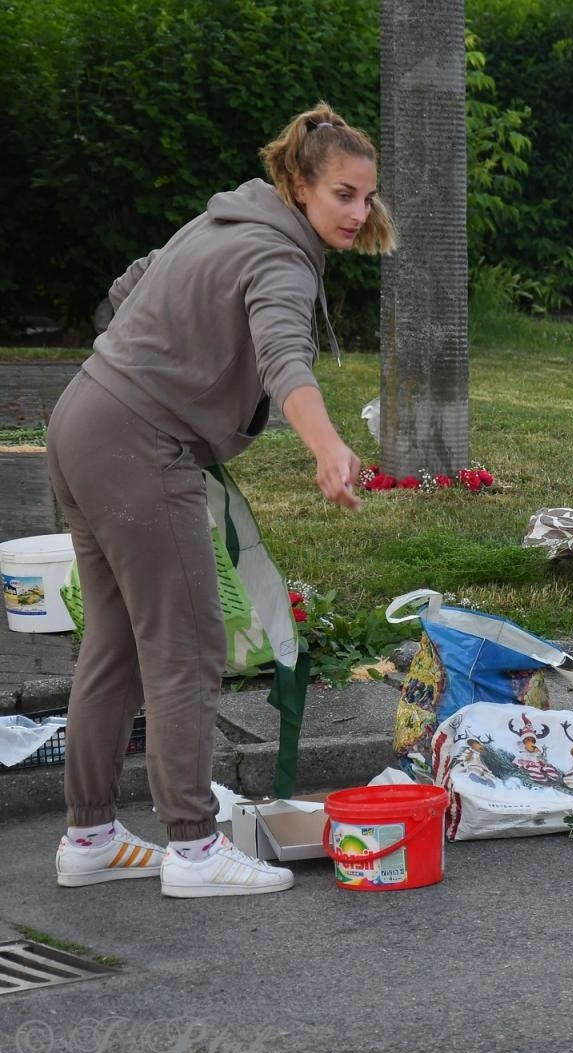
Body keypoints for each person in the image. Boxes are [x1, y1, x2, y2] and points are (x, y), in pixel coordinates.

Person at [47, 103, 394, 898]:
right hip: (138, 443)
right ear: (301, 184)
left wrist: (168, 345)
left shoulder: (226, 215)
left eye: (367, 198)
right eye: (343, 194)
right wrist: (327, 444)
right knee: (186, 647)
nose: (359, 212)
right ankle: (194, 850)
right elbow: (283, 356)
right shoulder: (280, 258)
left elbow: (128, 284)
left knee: (118, 644)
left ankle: (90, 836)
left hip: (82, 416)